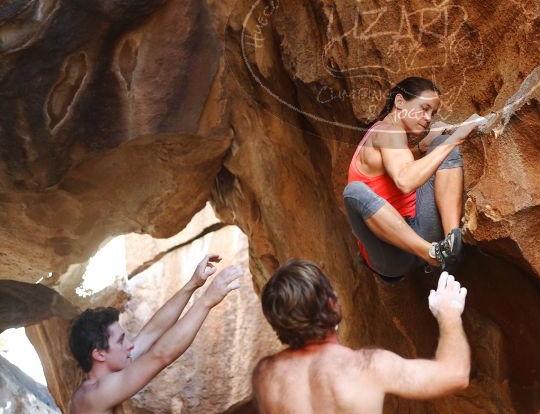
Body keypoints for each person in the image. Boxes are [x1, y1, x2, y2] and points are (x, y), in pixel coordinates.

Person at [252, 259, 469, 413]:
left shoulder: (265, 375)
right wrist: (449, 314)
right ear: (332, 303)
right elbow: (455, 374)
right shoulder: (367, 366)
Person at [343, 77, 483, 280]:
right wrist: (456, 138)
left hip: (414, 234)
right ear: (399, 102)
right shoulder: (388, 132)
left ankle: (451, 244)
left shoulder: (383, 131)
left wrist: (422, 147)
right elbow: (404, 180)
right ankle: (435, 253)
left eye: (432, 113)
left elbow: (398, 168)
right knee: (353, 193)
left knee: (441, 145)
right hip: (392, 252)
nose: (428, 118)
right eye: (424, 108)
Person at [68, 254, 243, 414]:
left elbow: (151, 333)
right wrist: (206, 301)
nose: (130, 345)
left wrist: (193, 284)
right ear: (99, 354)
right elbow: (161, 356)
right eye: (121, 341)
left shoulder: (102, 383)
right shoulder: (94, 395)